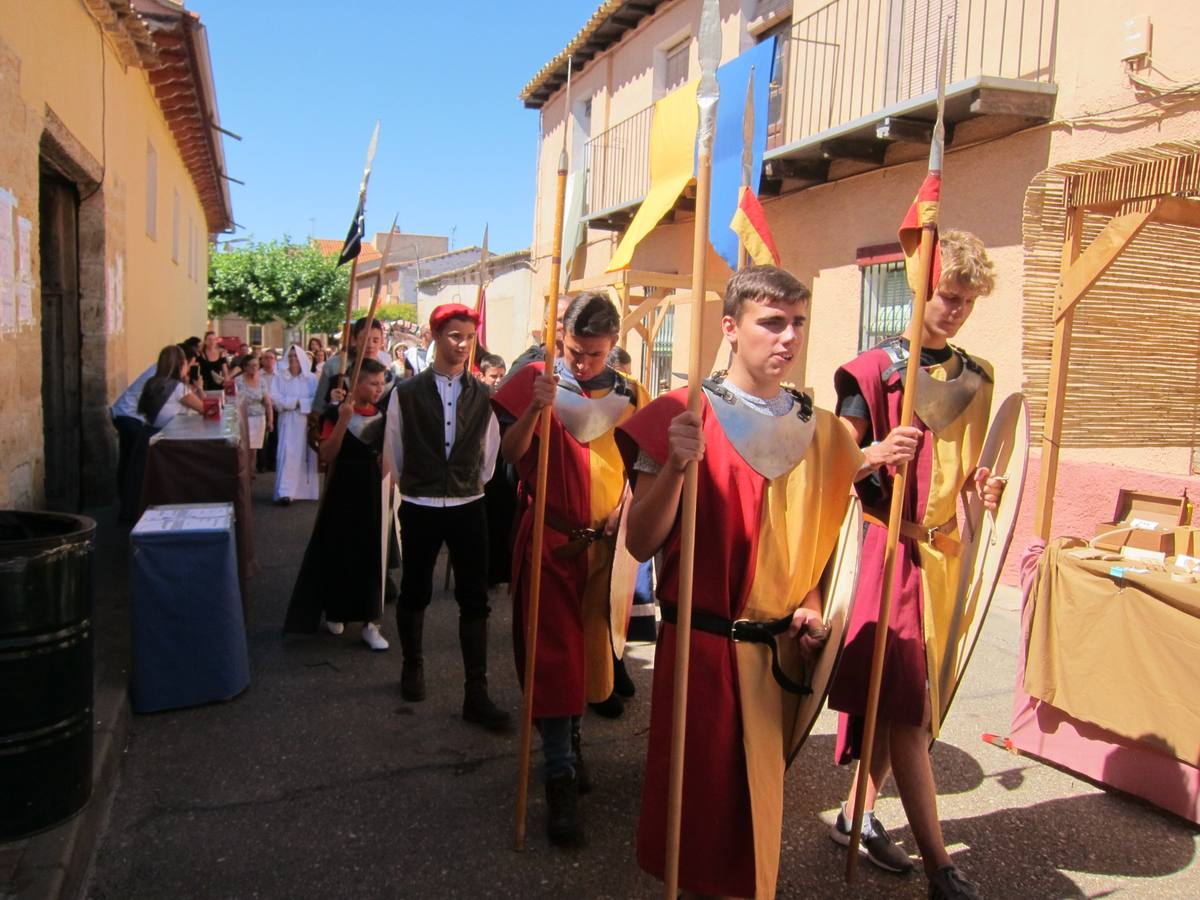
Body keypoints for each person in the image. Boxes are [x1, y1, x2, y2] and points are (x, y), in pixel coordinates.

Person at [616, 266, 862, 899]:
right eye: (771, 322)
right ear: (730, 327)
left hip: (775, 659)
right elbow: (641, 541)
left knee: (755, 824)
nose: (787, 338)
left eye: (798, 323)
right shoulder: (682, 413)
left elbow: (815, 548)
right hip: (699, 651)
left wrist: (810, 604)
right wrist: (673, 466)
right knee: (700, 831)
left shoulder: (819, 430)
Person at [826, 231, 1004, 900]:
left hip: (940, 557)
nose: (955, 310)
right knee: (907, 711)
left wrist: (983, 489)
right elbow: (833, 465)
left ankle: (853, 815)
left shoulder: (977, 376)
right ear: (918, 286)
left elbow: (966, 473)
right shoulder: (873, 371)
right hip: (885, 547)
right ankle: (941, 869)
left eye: (966, 302)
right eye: (946, 296)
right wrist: (874, 452)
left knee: (897, 701)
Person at [491, 292, 650, 847]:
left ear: (612, 347)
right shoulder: (535, 380)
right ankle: (557, 772)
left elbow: (641, 469)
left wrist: (625, 510)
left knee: (588, 655)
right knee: (553, 659)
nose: (583, 364)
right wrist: (536, 407)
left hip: (604, 551)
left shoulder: (629, 393)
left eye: (596, 354)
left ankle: (573, 744)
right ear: (561, 336)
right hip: (549, 542)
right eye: (576, 351)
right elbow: (511, 457)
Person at [384, 303, 510, 732]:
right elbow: (395, 452)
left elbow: (489, 453)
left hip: (468, 504)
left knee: (474, 598)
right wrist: (420, 485)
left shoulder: (483, 394)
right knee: (415, 590)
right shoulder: (405, 393)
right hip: (420, 506)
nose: (462, 344)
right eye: (454, 335)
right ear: (435, 337)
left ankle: (476, 691)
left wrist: (465, 482)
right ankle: (412, 665)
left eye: (468, 337)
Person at [283, 357, 391, 651]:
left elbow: (388, 454)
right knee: (340, 549)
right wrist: (343, 419)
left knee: (372, 553)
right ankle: (337, 609)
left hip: (372, 491)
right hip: (343, 489)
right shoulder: (335, 413)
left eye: (382, 383)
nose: (379, 388)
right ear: (355, 384)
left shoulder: (382, 414)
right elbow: (327, 455)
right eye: (372, 383)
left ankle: (371, 622)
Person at [314, 318, 391, 417]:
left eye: (375, 340)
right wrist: (332, 401)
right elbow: (319, 407)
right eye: (364, 340)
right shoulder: (335, 366)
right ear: (354, 340)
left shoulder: (386, 370)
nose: (370, 345)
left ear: (382, 341)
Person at [273, 345, 319, 504]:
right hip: (287, 420)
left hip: (305, 421)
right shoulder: (280, 377)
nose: (293, 359)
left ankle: (304, 491)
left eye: (296, 356)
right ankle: (285, 492)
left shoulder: (311, 378)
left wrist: (300, 403)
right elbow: (275, 398)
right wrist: (295, 403)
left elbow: (316, 399)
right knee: (287, 454)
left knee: (304, 455)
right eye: (290, 356)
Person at [138, 344, 205, 429]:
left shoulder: (151, 382)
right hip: (172, 436)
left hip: (153, 433)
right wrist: (200, 388)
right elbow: (205, 409)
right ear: (182, 364)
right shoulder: (177, 387)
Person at [234, 355, 274, 455]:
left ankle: (251, 470)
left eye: (256, 365)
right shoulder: (237, 381)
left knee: (253, 451)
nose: (254, 368)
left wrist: (270, 421)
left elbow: (268, 402)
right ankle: (243, 470)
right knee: (242, 449)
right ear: (245, 367)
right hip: (242, 419)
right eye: (251, 366)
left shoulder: (262, 381)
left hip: (258, 419)